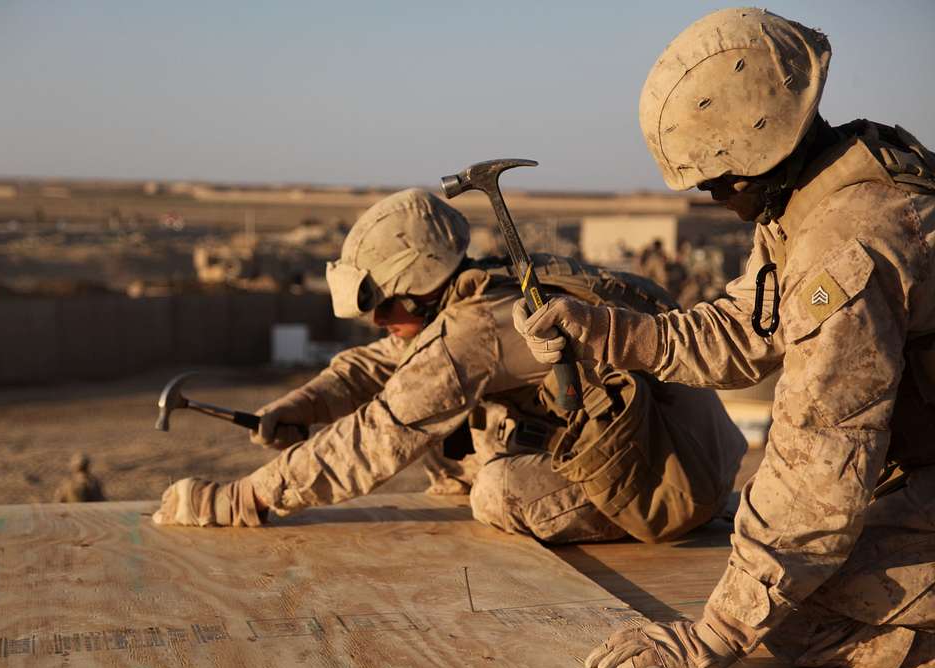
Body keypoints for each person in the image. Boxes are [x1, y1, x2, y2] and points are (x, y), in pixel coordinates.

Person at [513, 7, 935, 668]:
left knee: (798, 614)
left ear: (758, 153)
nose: (712, 200)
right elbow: (745, 329)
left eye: (714, 181)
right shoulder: (814, 191)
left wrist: (714, 632)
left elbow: (817, 464)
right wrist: (601, 331)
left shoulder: (844, 240)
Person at [153, 188, 746, 546]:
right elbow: (382, 364)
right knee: (456, 429)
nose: (380, 321)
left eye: (384, 306)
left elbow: (375, 437)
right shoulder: (485, 288)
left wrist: (242, 499)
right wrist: (301, 405)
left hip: (672, 478)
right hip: (679, 446)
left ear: (416, 289)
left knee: (497, 490)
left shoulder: (473, 331)